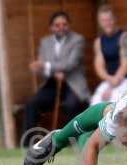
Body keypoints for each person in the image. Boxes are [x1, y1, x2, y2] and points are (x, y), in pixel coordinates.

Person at [24, 11, 90, 143]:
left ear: (68, 26)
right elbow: (43, 70)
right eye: (57, 25)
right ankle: (27, 144)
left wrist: (46, 66)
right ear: (51, 27)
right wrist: (44, 69)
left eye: (64, 24)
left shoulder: (78, 40)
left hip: (73, 84)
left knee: (71, 105)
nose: (61, 27)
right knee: (31, 104)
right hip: (52, 83)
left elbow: (71, 63)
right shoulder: (45, 42)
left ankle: (73, 142)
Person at [90, 5, 127, 106]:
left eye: (109, 19)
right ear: (99, 22)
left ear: (115, 19)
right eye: (103, 20)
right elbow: (99, 67)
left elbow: (126, 65)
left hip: (126, 79)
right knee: (95, 104)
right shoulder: (98, 41)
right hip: (110, 80)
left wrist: (112, 85)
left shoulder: (125, 37)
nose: (107, 23)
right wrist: (109, 81)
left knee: (115, 104)